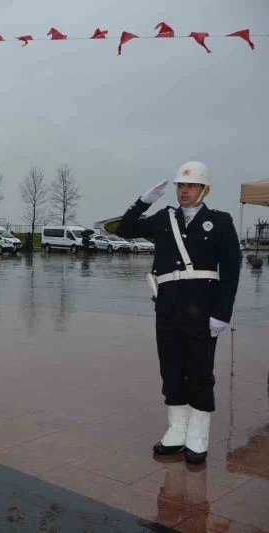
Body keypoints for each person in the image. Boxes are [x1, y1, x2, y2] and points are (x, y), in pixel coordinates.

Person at [118, 161, 240, 464]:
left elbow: (232, 270)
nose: (184, 191)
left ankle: (197, 434)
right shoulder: (164, 218)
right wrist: (143, 202)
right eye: (180, 186)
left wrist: (222, 313)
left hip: (203, 307)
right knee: (171, 367)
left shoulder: (220, 221)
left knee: (199, 369)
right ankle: (176, 429)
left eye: (191, 185)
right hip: (169, 305)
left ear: (204, 189)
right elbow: (125, 229)